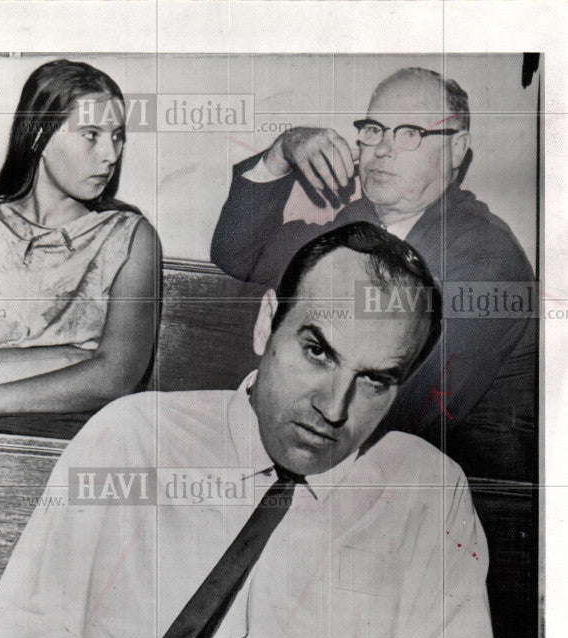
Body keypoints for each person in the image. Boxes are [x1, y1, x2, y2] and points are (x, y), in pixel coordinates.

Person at [0, 222, 521, 638]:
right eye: (317, 350)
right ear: (267, 324)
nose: (335, 407)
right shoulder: (134, 441)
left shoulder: (426, 488)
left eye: (376, 379)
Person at [211, 67, 537, 481]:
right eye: (374, 130)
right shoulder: (363, 220)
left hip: (451, 497)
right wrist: (281, 151)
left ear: (457, 150)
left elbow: (399, 414)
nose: (382, 149)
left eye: (408, 134)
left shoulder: (487, 262)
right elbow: (241, 254)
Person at [0, 59, 161, 417]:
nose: (110, 155)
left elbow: (116, 378)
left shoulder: (129, 238)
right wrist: (71, 358)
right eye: (91, 135)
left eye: (117, 136)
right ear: (38, 136)